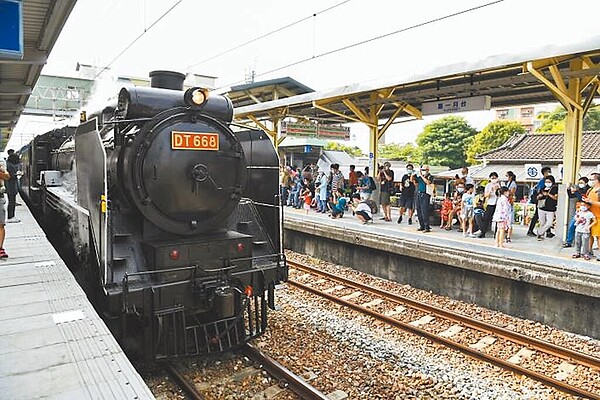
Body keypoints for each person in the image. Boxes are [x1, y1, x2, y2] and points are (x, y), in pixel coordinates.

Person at [563, 177, 590, 248]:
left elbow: (582, 199)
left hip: (587, 212)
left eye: (582, 183)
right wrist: (568, 189)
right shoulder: (578, 189)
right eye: (579, 183)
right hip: (579, 211)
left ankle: (585, 245)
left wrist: (576, 192)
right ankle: (569, 241)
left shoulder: (588, 190)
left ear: (586, 183)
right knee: (572, 226)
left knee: (585, 229)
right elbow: (571, 196)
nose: (580, 184)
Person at [527, 166, 553, 237]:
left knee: (542, 216)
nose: (549, 173)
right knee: (537, 215)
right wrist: (542, 194)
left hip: (543, 201)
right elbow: (539, 190)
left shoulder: (545, 180)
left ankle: (547, 232)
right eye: (548, 171)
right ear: (544, 173)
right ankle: (530, 230)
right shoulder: (543, 181)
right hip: (541, 200)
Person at [535, 174, 558, 241]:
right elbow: (537, 197)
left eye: (549, 182)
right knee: (542, 223)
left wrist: (548, 194)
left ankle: (539, 232)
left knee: (549, 223)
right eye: (546, 182)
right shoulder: (542, 188)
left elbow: (556, 198)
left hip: (551, 209)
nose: (547, 183)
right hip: (541, 208)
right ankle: (541, 236)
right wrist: (539, 196)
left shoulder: (555, 189)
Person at [583, 174, 600, 260]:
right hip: (589, 216)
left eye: (591, 179)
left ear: (597, 180)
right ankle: (589, 251)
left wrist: (591, 202)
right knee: (589, 235)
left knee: (598, 236)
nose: (590, 181)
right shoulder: (590, 190)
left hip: (598, 217)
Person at [478, 172, 500, 238]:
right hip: (490, 203)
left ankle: (497, 234)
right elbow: (486, 195)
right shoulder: (488, 185)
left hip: (498, 203)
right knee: (486, 218)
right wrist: (491, 190)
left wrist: (497, 190)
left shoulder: (500, 185)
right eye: (492, 178)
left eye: (495, 178)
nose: (494, 179)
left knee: (498, 219)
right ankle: (483, 232)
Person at [415, 165, 432, 232]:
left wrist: (422, 176)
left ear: (428, 170)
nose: (423, 171)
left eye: (424, 170)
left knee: (424, 211)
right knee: (419, 210)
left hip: (425, 194)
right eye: (422, 169)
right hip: (419, 193)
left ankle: (426, 227)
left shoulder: (430, 176)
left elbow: (428, 182)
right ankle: (421, 226)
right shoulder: (419, 177)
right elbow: (415, 182)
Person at [5, 151, 20, 222]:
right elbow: (10, 176)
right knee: (11, 202)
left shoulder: (8, 164)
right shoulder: (10, 166)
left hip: (10, 186)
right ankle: (11, 217)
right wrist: (17, 175)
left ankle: (11, 216)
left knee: (11, 202)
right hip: (11, 186)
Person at [0, 161, 10, 258]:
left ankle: (0, 248)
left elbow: (7, 176)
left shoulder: (1, 164)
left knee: (1, 224)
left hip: (0, 197)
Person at [504, 171, 517, 242]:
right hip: (506, 202)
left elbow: (511, 193)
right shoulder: (508, 183)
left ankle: (508, 236)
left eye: (507, 176)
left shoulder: (513, 184)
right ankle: (506, 234)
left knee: (509, 221)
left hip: (510, 202)